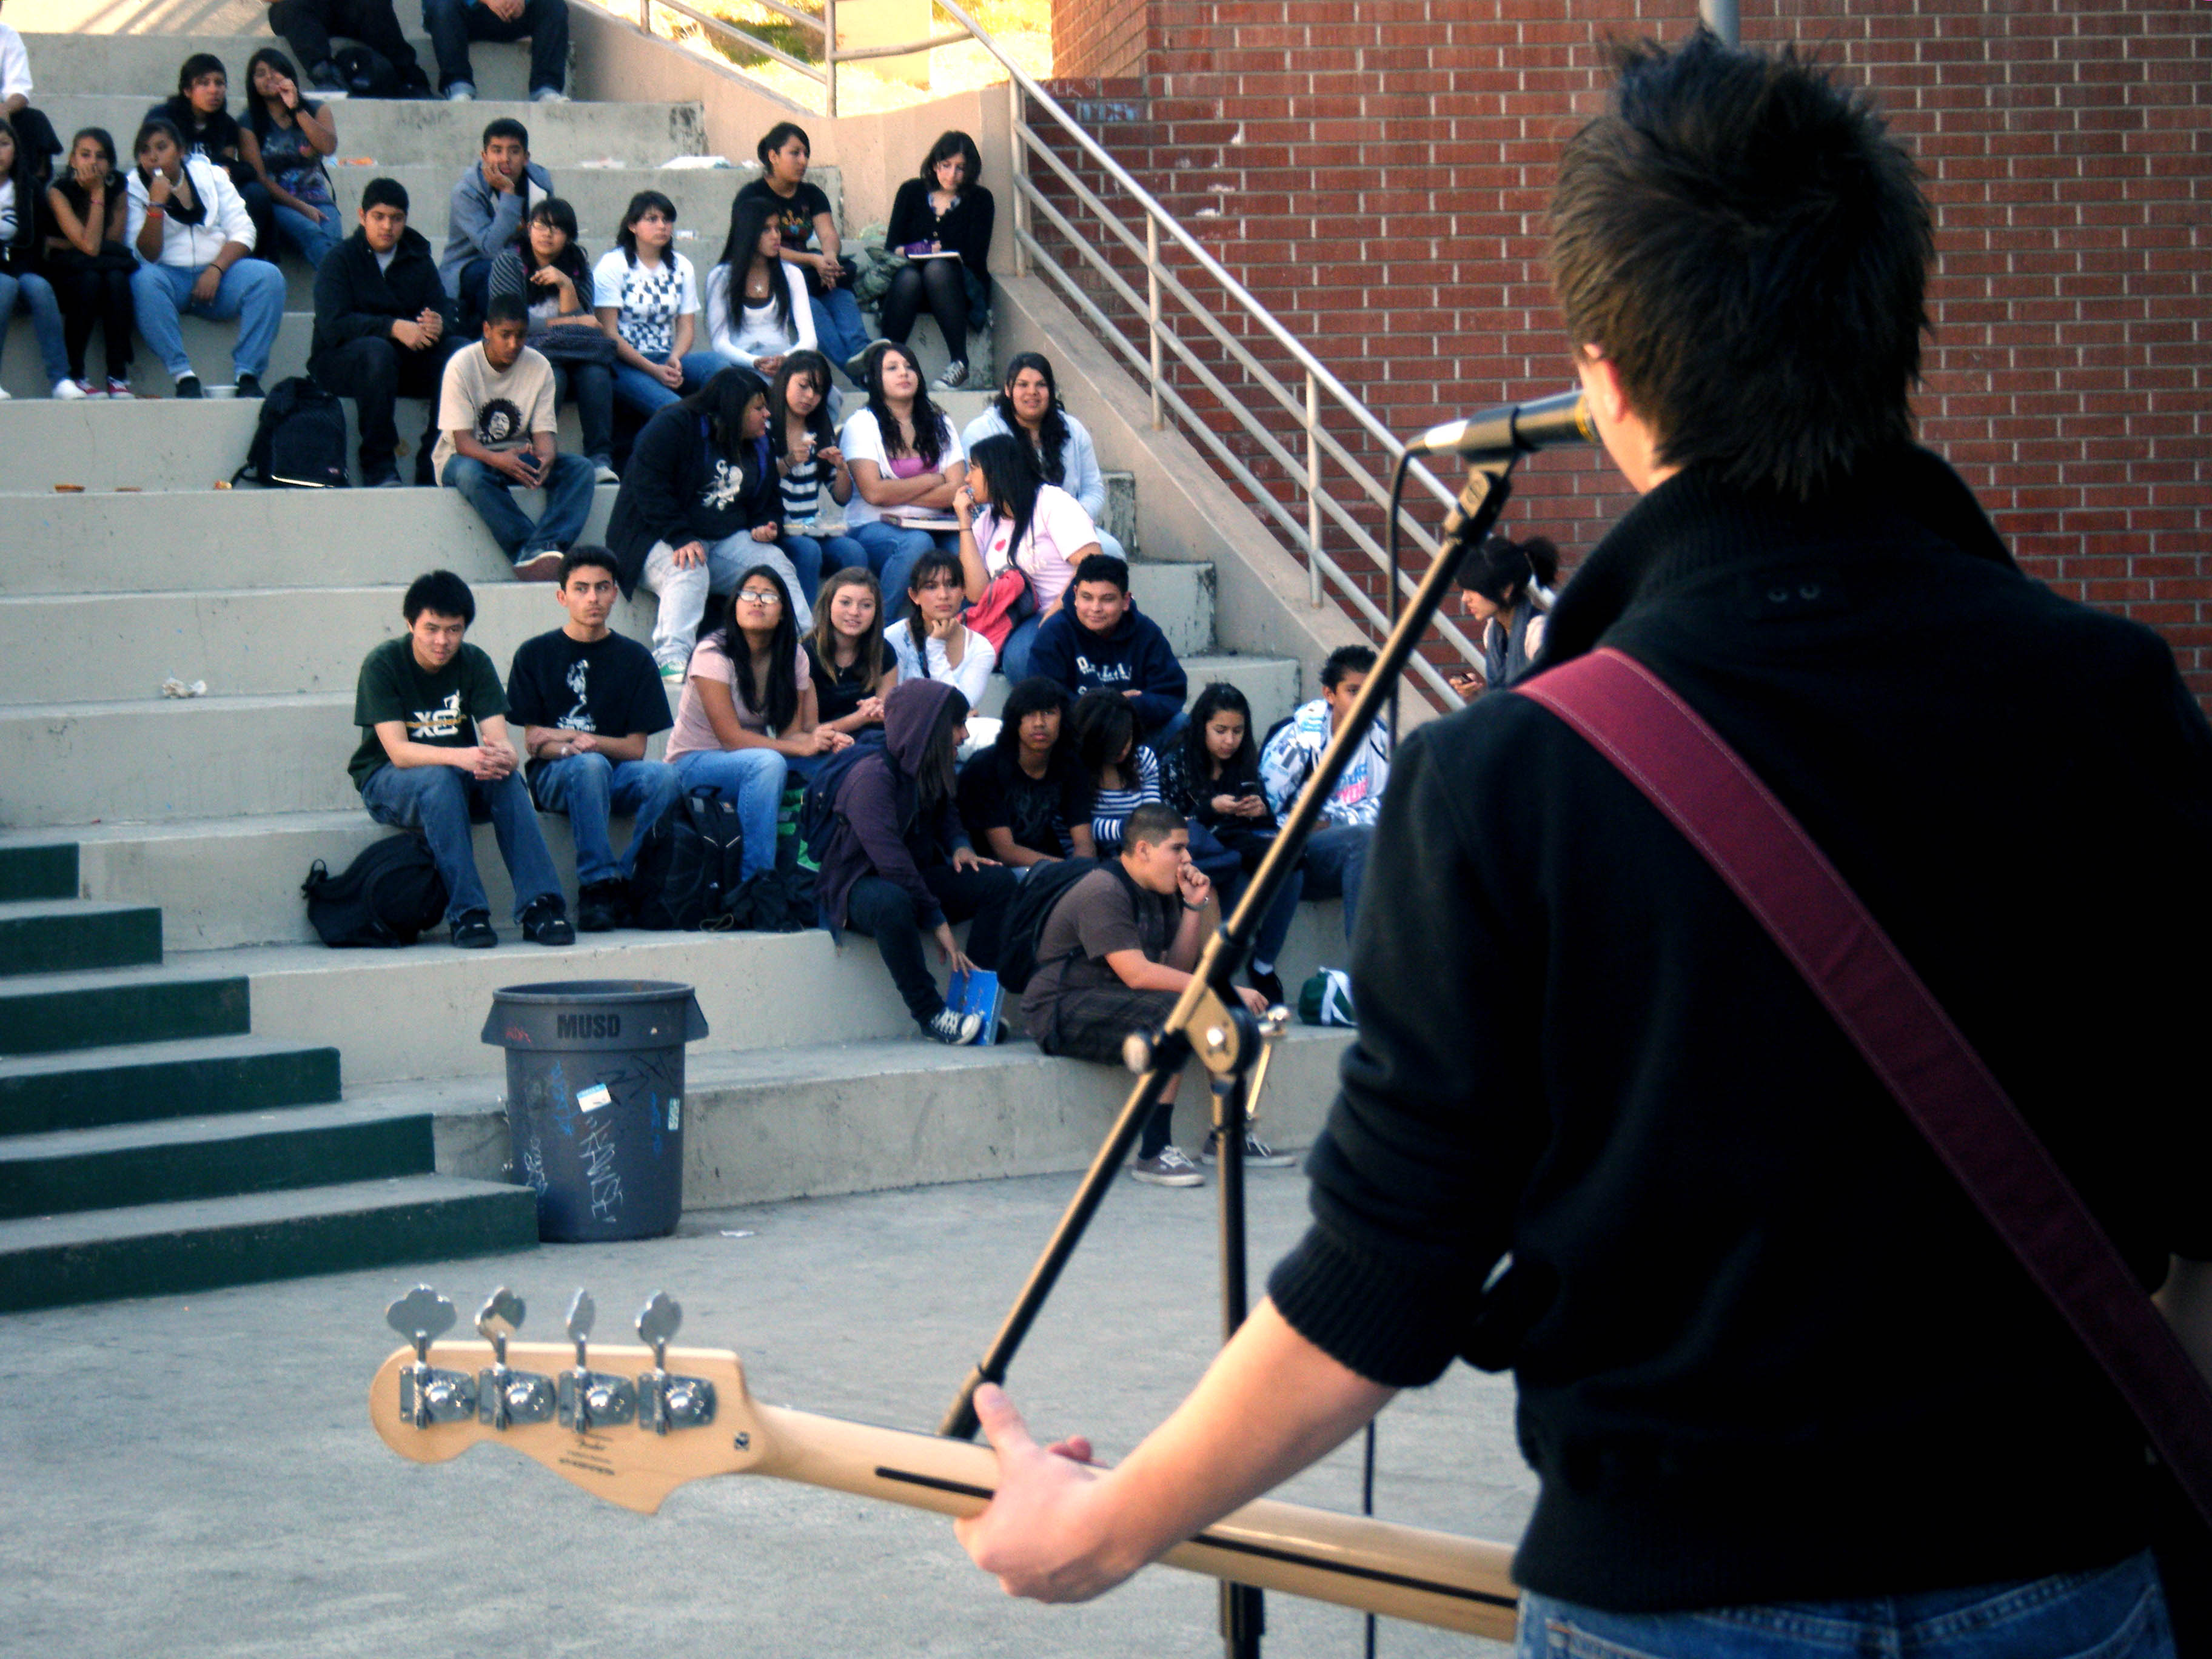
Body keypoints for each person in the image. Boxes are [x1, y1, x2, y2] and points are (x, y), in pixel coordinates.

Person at [959, 34, 2212, 1653]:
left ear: (1606, 384)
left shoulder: (1510, 778)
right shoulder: (2109, 701)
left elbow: (1385, 1286)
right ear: (1897, 333)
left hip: (1669, 1597)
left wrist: (1109, 1525)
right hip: (2063, 1574)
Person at [1019, 802, 1270, 1185]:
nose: (1187, 857)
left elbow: (1177, 971)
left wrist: (1191, 908)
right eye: (1177, 848)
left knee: (1203, 1007)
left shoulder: (1159, 888)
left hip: (1114, 1000)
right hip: (1059, 1008)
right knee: (1178, 1011)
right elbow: (1137, 975)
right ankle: (1153, 1152)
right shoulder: (1103, 889)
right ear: (1143, 850)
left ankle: (1228, 1132)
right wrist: (1223, 988)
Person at [347, 569, 573, 949]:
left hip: (455, 776)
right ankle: (467, 913)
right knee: (440, 779)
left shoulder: (473, 662)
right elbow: (400, 753)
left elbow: (498, 738)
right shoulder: (383, 664)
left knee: (504, 778)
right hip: (388, 782)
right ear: (410, 624)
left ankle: (540, 905)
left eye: (453, 630)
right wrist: (463, 757)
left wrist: (503, 755)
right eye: (431, 629)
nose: (442, 641)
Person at [813, 677, 1017, 1046]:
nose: (965, 734)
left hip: (914, 879)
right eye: (957, 725)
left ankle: (975, 1005)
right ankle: (931, 1015)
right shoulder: (871, 777)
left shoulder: (926, 765)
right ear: (931, 728)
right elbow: (891, 863)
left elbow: (946, 809)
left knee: (998, 883)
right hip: (859, 885)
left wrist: (959, 845)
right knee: (893, 902)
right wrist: (937, 919)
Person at [504, 546, 682, 932]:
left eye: (603, 588)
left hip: (616, 776)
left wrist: (574, 735)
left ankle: (633, 879)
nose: (593, 598)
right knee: (588, 764)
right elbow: (534, 741)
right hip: (555, 776)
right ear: (561, 595)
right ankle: (597, 887)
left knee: (666, 777)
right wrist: (568, 745)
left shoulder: (635, 659)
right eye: (581, 588)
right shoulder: (534, 654)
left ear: (616, 592)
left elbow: (635, 749)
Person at [608, 365, 807, 679]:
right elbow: (647, 487)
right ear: (732, 409)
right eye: (758, 408)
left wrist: (766, 524)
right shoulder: (673, 425)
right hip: (654, 537)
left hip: (723, 538)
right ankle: (672, 658)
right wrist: (680, 535)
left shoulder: (759, 441)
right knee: (689, 567)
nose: (767, 414)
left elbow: (768, 500)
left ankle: (803, 647)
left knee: (773, 563)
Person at [662, 565, 842, 884]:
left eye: (768, 596)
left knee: (836, 765)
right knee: (769, 763)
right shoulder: (712, 653)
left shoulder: (794, 657)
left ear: (784, 612)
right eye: (748, 594)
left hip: (754, 759)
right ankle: (756, 882)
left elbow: (793, 733)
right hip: (693, 764)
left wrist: (825, 740)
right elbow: (731, 738)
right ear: (735, 604)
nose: (756, 602)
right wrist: (799, 746)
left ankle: (814, 880)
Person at [1158, 682, 1301, 1010]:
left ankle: (1264, 963)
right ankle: (1220, 976)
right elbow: (1167, 823)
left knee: (1293, 866)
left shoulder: (1245, 760)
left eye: (1237, 731)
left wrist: (1260, 809)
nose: (1229, 740)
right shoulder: (1179, 762)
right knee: (1234, 875)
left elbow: (1264, 818)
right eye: (1220, 730)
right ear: (1203, 726)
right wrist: (1210, 808)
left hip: (1241, 844)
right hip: (1204, 854)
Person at [432, 291, 595, 577]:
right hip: (465, 457)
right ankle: (527, 552)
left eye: (520, 336)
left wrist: (546, 455)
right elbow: (463, 441)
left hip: (518, 454)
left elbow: (544, 433)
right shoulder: (462, 364)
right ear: (487, 330)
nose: (513, 344)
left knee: (581, 469)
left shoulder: (540, 366)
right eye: (505, 335)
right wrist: (498, 460)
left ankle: (547, 546)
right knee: (471, 474)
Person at [309, 175, 454, 488]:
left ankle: (436, 458)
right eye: (379, 217)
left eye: (396, 219)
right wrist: (391, 327)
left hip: (401, 363)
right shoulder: (339, 260)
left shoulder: (418, 258)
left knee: (457, 353)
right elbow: (333, 325)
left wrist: (439, 324)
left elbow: (441, 307)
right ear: (362, 217)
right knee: (377, 351)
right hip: (341, 361)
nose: (388, 227)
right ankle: (379, 464)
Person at [126, 116, 284, 399]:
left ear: (181, 150)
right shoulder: (133, 186)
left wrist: (216, 269)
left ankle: (247, 374)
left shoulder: (212, 175)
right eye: (145, 151)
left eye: (162, 147)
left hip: (219, 277)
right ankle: (183, 375)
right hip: (169, 279)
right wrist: (155, 206)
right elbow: (144, 255)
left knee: (268, 277)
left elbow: (244, 230)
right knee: (143, 281)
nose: (153, 157)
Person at [1256, 642, 1382, 943]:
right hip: (1299, 860)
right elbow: (1264, 813)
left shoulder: (1379, 739)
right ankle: (1366, 977)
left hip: (1352, 852)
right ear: (1330, 694)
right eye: (1354, 691)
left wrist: (1333, 821)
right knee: (1363, 838)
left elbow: (1385, 809)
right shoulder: (1297, 741)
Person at [488, 196, 617, 481]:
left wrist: (566, 286)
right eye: (540, 225)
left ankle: (599, 459)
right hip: (524, 350)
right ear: (528, 227)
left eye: (557, 228)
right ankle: (532, 454)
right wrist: (569, 321)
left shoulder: (576, 266)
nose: (547, 233)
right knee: (552, 376)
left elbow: (583, 333)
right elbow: (510, 323)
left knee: (596, 373)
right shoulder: (509, 262)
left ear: (569, 237)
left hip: (572, 352)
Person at [953, 432, 1102, 679]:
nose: (967, 479)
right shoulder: (987, 522)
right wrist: (964, 523)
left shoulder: (1051, 501)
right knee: (1017, 657)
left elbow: (1092, 563)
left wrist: (1054, 613)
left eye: (973, 469)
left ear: (996, 469)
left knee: (1022, 658)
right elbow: (977, 594)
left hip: (1072, 606)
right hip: (1023, 616)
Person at [960, 352, 1126, 566]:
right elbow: (978, 491)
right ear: (1008, 390)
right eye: (1023, 385)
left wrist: (1065, 521)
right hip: (1008, 525)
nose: (1032, 392)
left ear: (1051, 391)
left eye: (1041, 385)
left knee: (1111, 551)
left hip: (1066, 522)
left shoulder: (1073, 430)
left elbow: (1093, 490)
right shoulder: (983, 431)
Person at [840, 340, 966, 617]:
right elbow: (873, 494)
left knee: (965, 550)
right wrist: (933, 480)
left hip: (937, 525)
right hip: (874, 525)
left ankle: (962, 634)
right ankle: (877, 630)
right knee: (917, 543)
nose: (904, 373)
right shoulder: (862, 423)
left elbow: (958, 488)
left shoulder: (939, 422)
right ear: (876, 377)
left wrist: (895, 491)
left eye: (910, 367)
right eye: (892, 368)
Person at [736, 121, 868, 380]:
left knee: (843, 299)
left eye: (806, 154)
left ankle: (866, 359)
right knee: (812, 309)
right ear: (773, 156)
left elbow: (828, 233)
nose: (803, 160)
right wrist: (812, 258)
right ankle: (863, 376)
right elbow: (758, 246)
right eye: (795, 153)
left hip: (813, 273)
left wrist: (829, 257)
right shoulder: (753, 196)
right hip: (772, 275)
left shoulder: (812, 194)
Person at [1027, 554, 1188, 745]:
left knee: (1182, 724)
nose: (1096, 608)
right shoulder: (1054, 633)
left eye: (1107, 599)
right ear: (1075, 595)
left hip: (1134, 731)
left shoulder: (1146, 632)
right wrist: (1107, 706)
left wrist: (1129, 707)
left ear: (1126, 600)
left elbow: (1171, 691)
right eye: (1087, 597)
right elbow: (1044, 697)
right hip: (1079, 735)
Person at [880, 131, 993, 391]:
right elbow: (891, 246)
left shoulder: (981, 200)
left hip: (959, 286)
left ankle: (959, 362)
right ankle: (885, 358)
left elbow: (976, 256)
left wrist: (941, 254)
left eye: (960, 168)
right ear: (934, 165)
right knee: (909, 277)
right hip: (912, 286)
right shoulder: (911, 191)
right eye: (946, 166)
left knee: (937, 269)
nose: (952, 175)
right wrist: (915, 249)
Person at [595, 189, 720, 419]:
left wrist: (675, 356)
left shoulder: (682, 266)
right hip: (623, 363)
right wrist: (652, 369)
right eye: (652, 219)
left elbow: (686, 326)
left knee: (720, 367)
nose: (662, 226)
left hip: (665, 356)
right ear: (632, 226)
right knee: (675, 409)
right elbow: (608, 333)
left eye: (667, 220)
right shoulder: (613, 265)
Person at [148, 55, 277, 264]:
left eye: (220, 83)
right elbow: (153, 160)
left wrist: (226, 171)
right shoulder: (163, 117)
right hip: (172, 185)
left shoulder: (226, 124)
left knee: (255, 192)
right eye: (204, 83)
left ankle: (254, 258)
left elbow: (227, 164)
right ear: (187, 90)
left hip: (212, 190)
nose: (214, 90)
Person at [956, 675, 1093, 868]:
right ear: (1015, 720)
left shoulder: (1070, 764)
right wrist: (1067, 871)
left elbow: (1084, 841)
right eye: (1029, 713)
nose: (1039, 723)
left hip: (1049, 862)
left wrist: (1082, 871)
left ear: (1063, 719)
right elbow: (1005, 851)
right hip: (992, 869)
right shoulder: (985, 768)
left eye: (1048, 712)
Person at [42, 126, 135, 398]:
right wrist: (96, 192)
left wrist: (66, 242)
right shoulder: (58, 191)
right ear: (72, 160)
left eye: (101, 156)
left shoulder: (118, 186)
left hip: (102, 266)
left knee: (116, 279)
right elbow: (93, 247)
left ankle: (117, 375)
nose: (93, 162)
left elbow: (111, 243)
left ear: (111, 163)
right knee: (92, 280)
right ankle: (76, 373)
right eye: (85, 155)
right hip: (66, 271)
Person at [441, 118, 551, 332]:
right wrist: (509, 194)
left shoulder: (540, 183)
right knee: (494, 270)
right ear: (484, 156)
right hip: (471, 265)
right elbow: (490, 248)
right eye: (497, 151)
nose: (505, 159)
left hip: (524, 259)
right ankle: (506, 336)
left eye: (514, 151)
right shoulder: (466, 192)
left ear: (526, 158)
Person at [237, 50, 339, 272]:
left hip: (317, 196)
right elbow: (260, 179)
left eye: (275, 71)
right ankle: (343, 296)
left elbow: (328, 147)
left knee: (335, 240)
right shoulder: (247, 123)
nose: (269, 78)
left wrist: (296, 108)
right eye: (261, 74)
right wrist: (301, 207)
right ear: (252, 82)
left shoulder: (316, 109)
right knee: (314, 234)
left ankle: (339, 296)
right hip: (280, 203)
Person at [770, 350, 865, 585]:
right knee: (807, 551)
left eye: (818, 390)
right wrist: (791, 461)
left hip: (811, 527)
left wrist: (841, 468)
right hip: (776, 527)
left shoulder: (820, 432)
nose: (810, 396)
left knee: (853, 551)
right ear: (785, 381)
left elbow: (842, 497)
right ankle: (804, 621)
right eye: (803, 386)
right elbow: (758, 481)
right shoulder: (766, 427)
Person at [703, 192, 814, 378]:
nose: (775, 236)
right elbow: (719, 342)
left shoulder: (792, 275)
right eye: (766, 229)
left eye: (777, 228)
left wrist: (785, 358)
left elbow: (810, 339)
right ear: (748, 233)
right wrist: (754, 362)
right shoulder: (720, 277)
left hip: (784, 361)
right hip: (741, 362)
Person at [0, 113, 69, 401]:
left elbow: (43, 237)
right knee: (5, 287)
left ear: (15, 150)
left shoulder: (30, 188)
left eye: (3, 144)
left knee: (38, 287)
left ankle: (61, 379)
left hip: (21, 265)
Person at [1447, 532, 1561, 697]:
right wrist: (1476, 693)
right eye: (1464, 590)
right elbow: (1506, 701)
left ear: (1506, 589)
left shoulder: (1538, 634)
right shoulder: (1493, 634)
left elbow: (1550, 701)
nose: (1465, 598)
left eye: (1474, 590)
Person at [886, 549, 994, 709]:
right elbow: (892, 707)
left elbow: (958, 708)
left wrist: (935, 647)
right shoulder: (892, 639)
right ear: (914, 595)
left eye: (951, 585)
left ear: (964, 591)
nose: (943, 595)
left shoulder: (981, 648)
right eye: (931, 587)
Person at [261, 0, 431, 100]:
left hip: (348, 7)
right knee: (289, 9)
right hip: (302, 9)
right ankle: (328, 79)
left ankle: (410, 80)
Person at [803, 566, 897, 742]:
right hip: (822, 746)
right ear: (829, 604)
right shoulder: (806, 655)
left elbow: (886, 716)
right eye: (845, 602)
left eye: (866, 605)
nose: (855, 612)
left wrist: (877, 711)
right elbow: (810, 730)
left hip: (873, 740)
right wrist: (860, 717)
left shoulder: (884, 651)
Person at [423, 0, 569, 104]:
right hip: (466, 14)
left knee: (554, 5)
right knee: (441, 5)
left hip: (515, 13)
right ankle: (458, 87)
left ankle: (546, 89)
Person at [1066, 690, 1159, 854]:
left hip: (1138, 850)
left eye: (1127, 739)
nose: (1123, 750)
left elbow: (1152, 811)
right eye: (1114, 743)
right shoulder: (1073, 767)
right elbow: (1076, 827)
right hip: (1089, 855)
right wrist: (1124, 827)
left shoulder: (1143, 759)